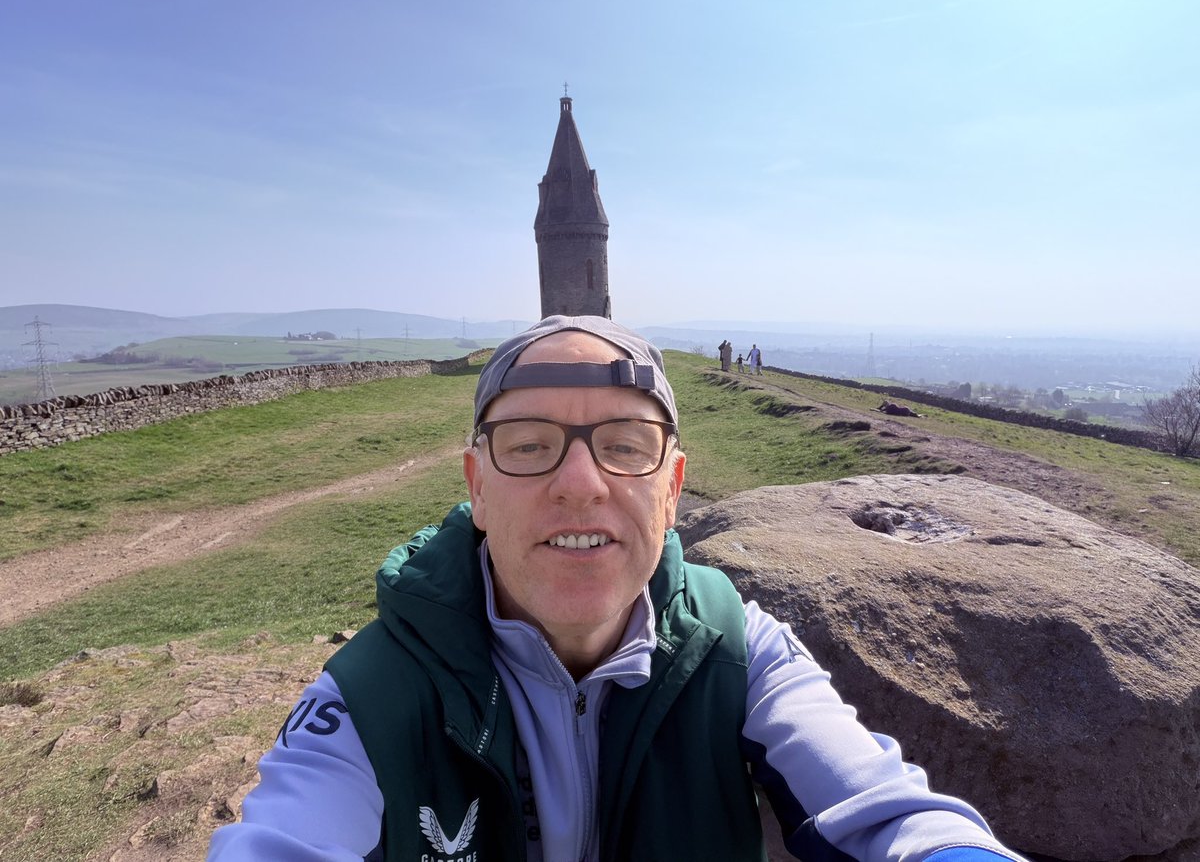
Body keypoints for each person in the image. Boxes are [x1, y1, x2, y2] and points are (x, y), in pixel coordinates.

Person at [208, 315, 1028, 862]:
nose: (580, 483)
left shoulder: (741, 653)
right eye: (528, 446)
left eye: (625, 445)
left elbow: (887, 816)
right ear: (477, 489)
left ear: (672, 491)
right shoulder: (372, 696)